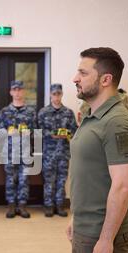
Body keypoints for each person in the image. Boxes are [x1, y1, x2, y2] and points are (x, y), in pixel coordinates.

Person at [67, 47, 128, 253]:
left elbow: (123, 186)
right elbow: (88, 174)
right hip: (84, 229)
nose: (75, 78)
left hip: (102, 233)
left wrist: (106, 239)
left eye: (83, 72)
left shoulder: (117, 122)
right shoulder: (92, 116)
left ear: (106, 79)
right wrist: (76, 217)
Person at [0, 80, 37, 219]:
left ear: (23, 91)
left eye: (20, 90)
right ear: (11, 92)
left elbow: (36, 130)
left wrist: (30, 133)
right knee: (10, 179)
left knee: (24, 179)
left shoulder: (31, 112)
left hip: (25, 151)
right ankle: (11, 205)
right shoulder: (4, 111)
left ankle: (22, 205)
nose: (18, 92)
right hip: (9, 151)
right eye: (15, 90)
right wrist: (7, 132)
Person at [38, 83, 77, 217]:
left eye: (58, 94)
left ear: (62, 94)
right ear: (50, 94)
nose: (56, 96)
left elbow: (74, 131)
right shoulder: (43, 112)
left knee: (61, 180)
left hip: (63, 152)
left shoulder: (68, 113)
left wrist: (67, 134)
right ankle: (48, 206)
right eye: (54, 94)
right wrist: (51, 134)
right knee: (49, 180)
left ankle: (60, 205)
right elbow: (38, 131)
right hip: (48, 153)